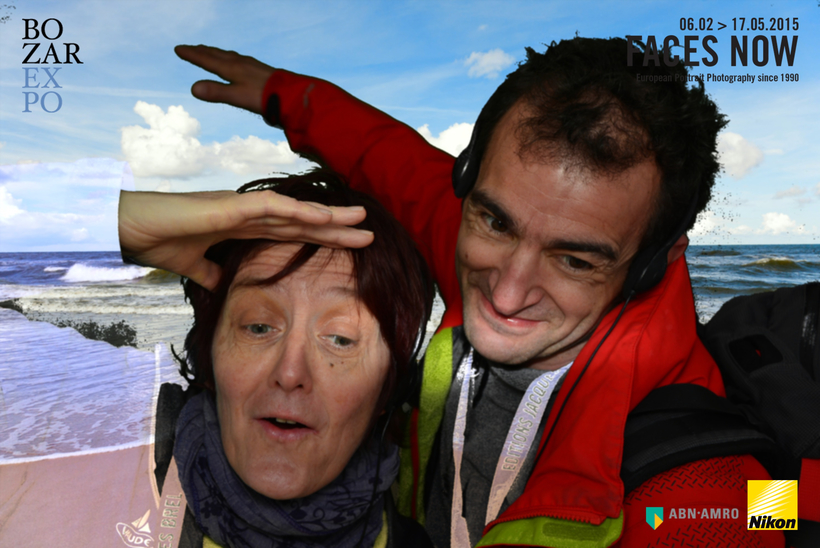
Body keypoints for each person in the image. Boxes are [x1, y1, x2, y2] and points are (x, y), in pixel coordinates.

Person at [122, 39, 783, 547]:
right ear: (468, 183)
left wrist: (768, 509)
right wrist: (284, 94)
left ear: (652, 265)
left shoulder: (711, 491)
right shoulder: (474, 228)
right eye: (495, 221)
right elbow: (387, 156)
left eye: (574, 260)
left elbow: (772, 510)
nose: (508, 292)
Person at [124, 172, 435, 548]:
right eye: (258, 327)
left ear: (389, 388)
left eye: (340, 338)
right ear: (207, 356)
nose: (289, 373)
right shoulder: (99, 499)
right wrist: (120, 218)